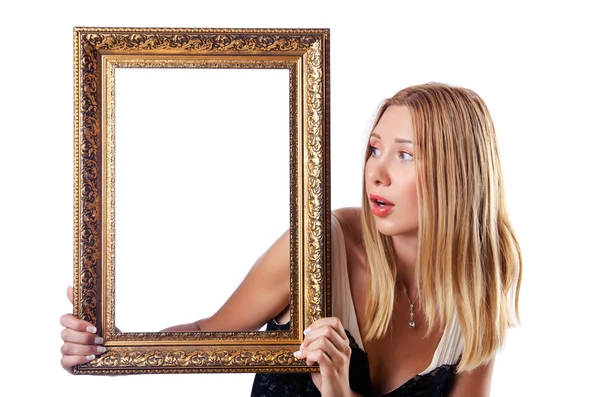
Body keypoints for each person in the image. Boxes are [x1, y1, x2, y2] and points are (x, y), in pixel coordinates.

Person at [60, 82, 522, 397]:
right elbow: (207, 335)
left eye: (405, 155)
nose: (375, 173)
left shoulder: (480, 285)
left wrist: (340, 391)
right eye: (374, 149)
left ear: (458, 175)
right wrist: (105, 347)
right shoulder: (318, 249)